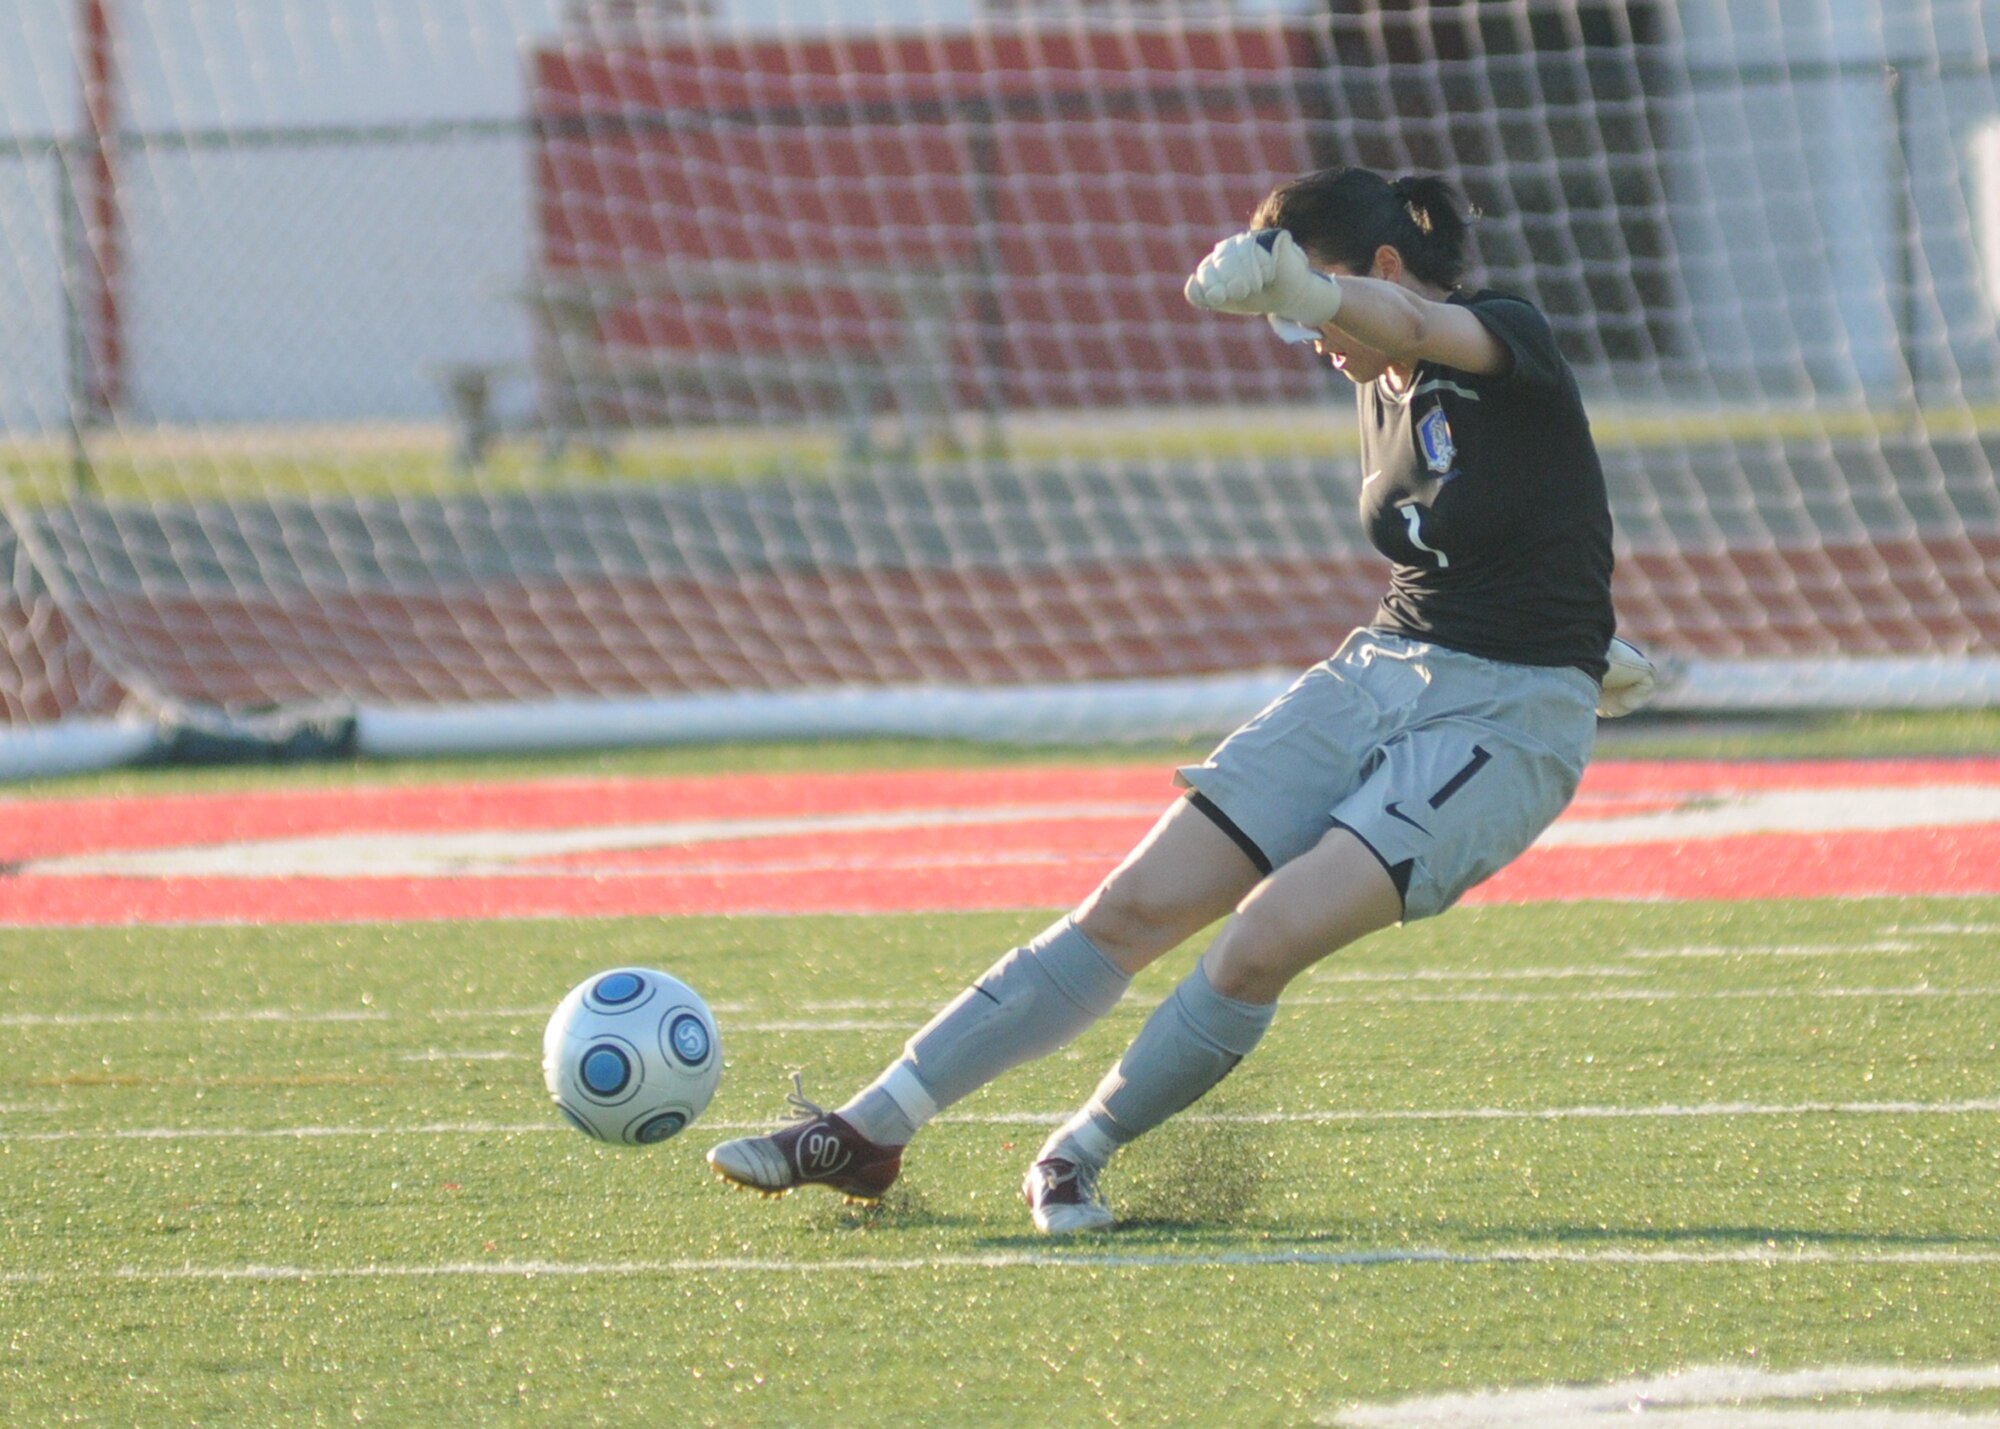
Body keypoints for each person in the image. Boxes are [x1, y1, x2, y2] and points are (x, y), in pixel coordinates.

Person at [705, 166, 1656, 1233]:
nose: (1313, 343)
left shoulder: (1494, 329)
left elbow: (1415, 324)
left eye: (1315, 306)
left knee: (1256, 942)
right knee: (1129, 909)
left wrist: (1313, 295)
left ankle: (1076, 1153)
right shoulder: (1371, 380)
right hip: (1382, 668)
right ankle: (868, 1129)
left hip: (1505, 717)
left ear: (1382, 268)